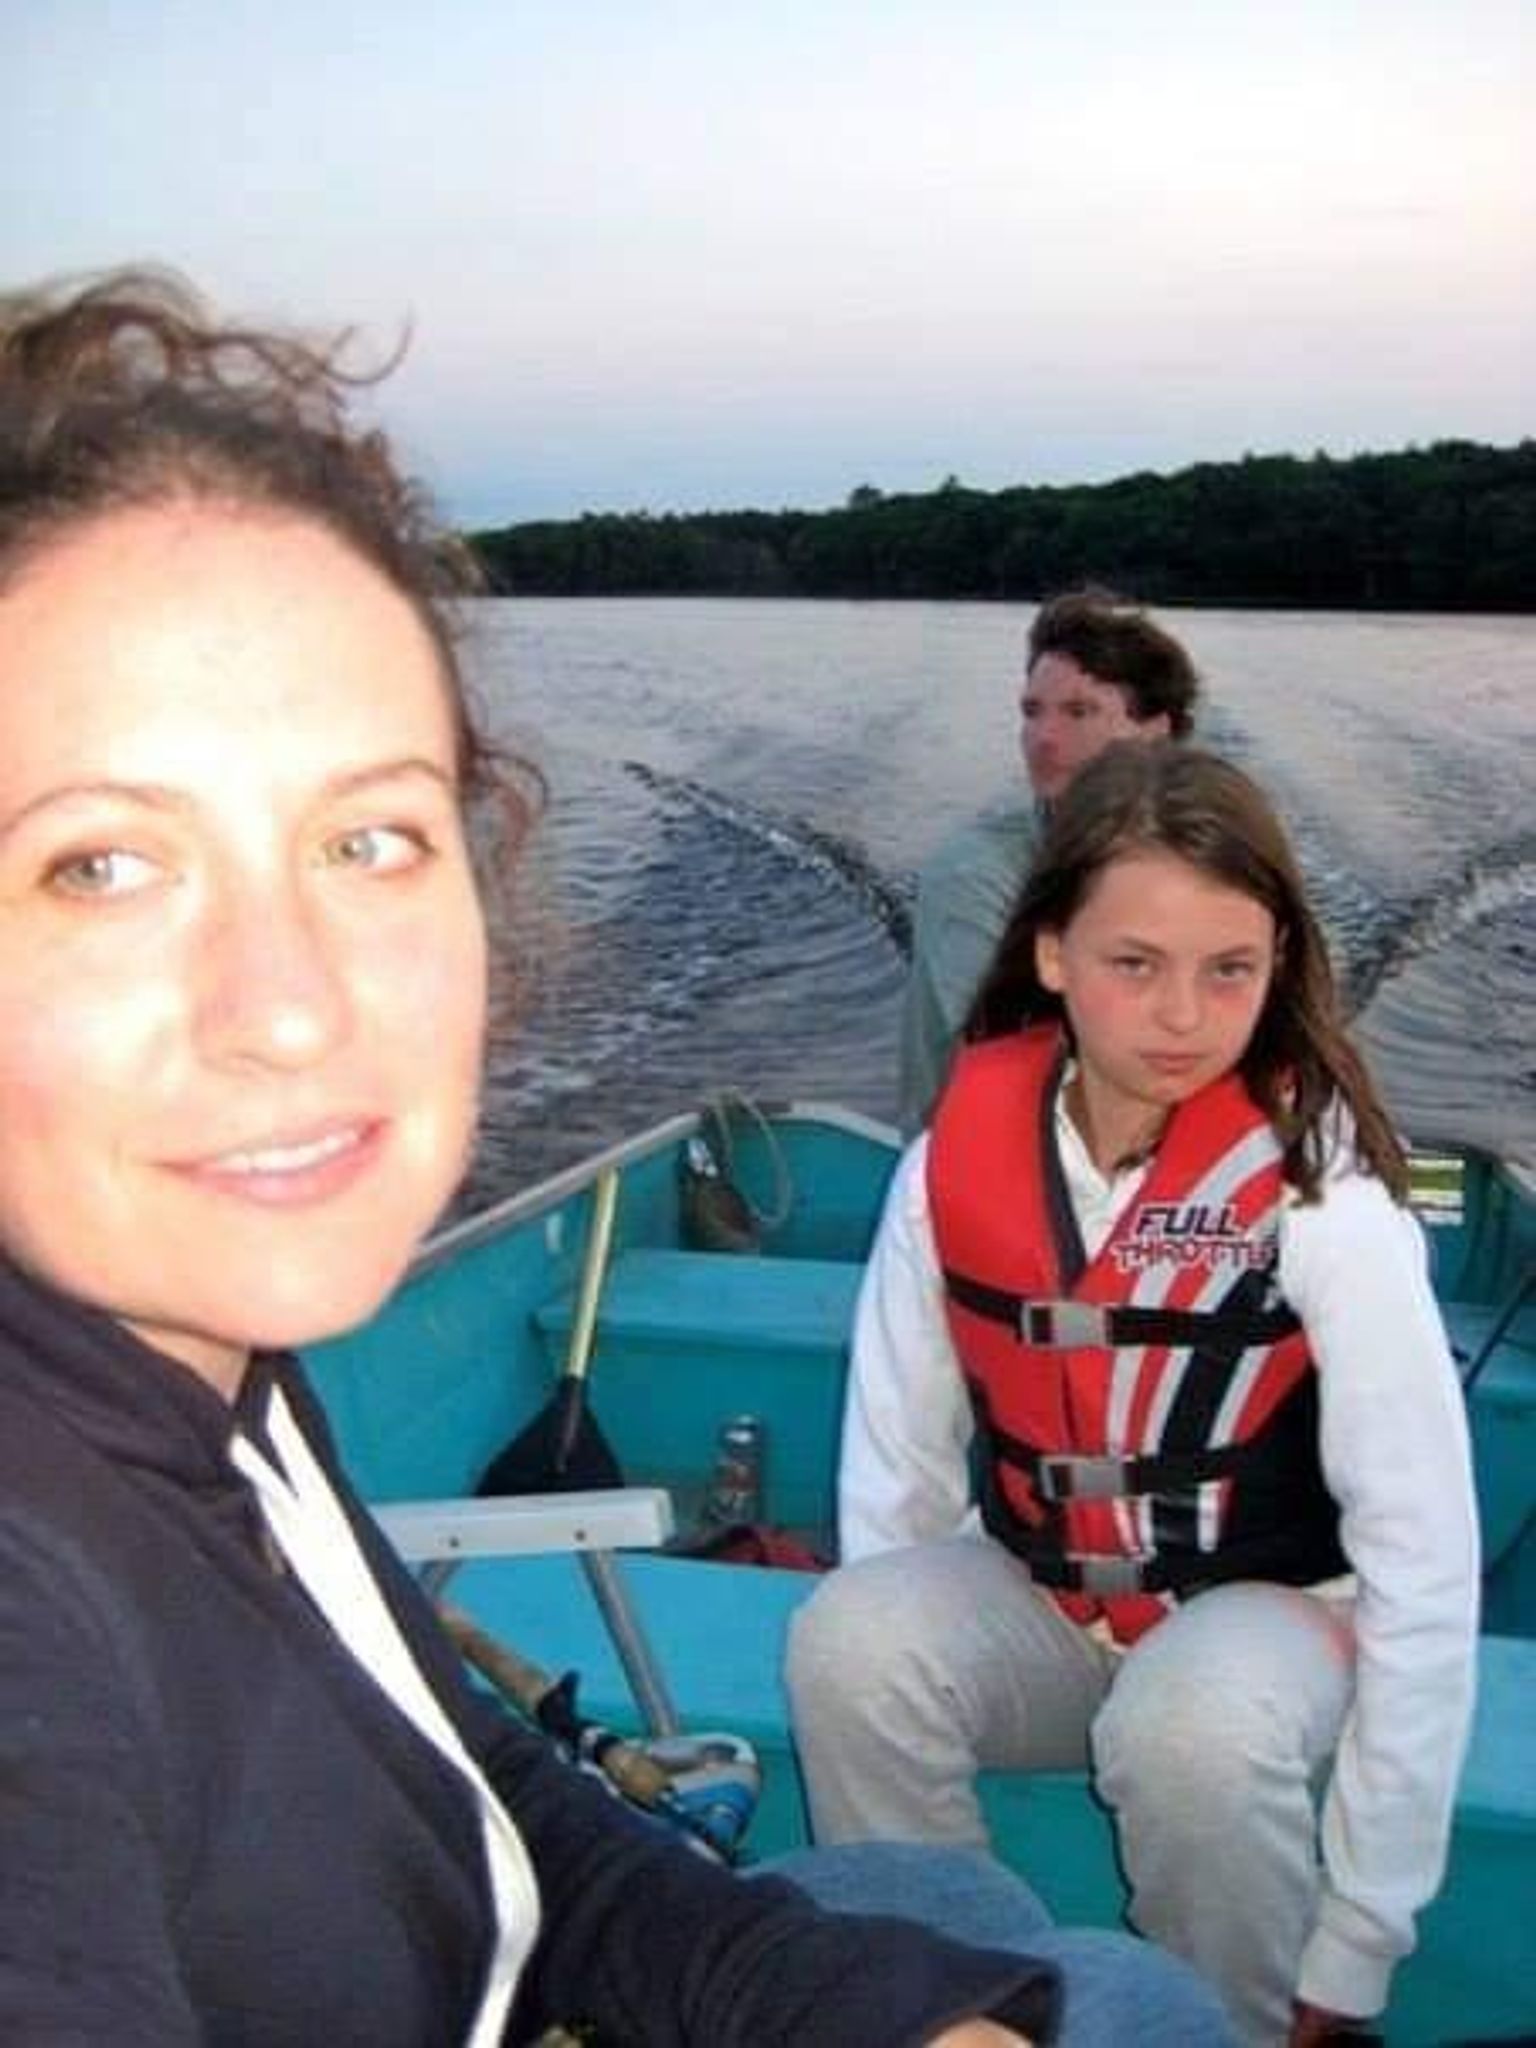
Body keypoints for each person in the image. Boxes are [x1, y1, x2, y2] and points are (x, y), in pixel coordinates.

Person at [0, 268, 1237, 2048]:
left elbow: (483, 1794)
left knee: (963, 1923)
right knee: (1131, 2000)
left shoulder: (218, 1372)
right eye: (102, 865)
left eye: (369, 838)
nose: (290, 1007)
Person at [788, 743, 1480, 2046]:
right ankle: (955, 1998)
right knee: (849, 1635)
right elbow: (898, 1476)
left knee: (1186, 1724)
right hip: (1050, 1609)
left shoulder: (1322, 1196)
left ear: (1278, 962)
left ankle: (1229, 2024)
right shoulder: (948, 1165)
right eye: (1135, 963)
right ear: (1052, 953)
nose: (1182, 1016)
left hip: (1273, 1621)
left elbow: (1425, 1554)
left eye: (1230, 969)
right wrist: (915, 1623)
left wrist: (1362, 1932)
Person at [898, 589, 1199, 1132]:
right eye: (1032, 711)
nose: (1043, 737)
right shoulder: (975, 875)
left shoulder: (1206, 866)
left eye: (1079, 712)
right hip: (981, 1155)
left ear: (1155, 732)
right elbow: (995, 1074)